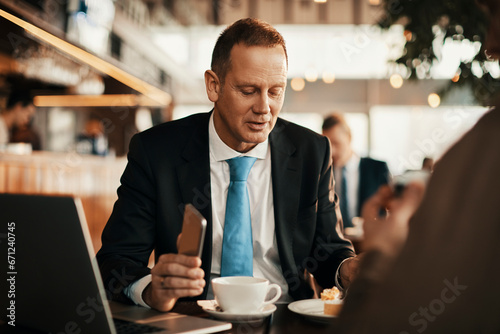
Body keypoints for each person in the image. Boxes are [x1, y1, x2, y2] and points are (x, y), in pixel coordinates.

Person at [97, 18, 358, 312]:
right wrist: (151, 290)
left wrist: (348, 270)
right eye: (248, 91)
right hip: (192, 320)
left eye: (275, 91)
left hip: (286, 318)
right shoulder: (157, 152)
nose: (264, 108)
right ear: (213, 86)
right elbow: (115, 261)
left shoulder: (312, 151)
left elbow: (329, 253)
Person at [335, 0, 500, 332]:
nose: (489, 43)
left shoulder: (484, 151)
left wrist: (382, 254)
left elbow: (375, 324)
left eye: (495, 13)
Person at [322, 112, 391, 228]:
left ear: (349, 137)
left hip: (369, 238)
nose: (332, 151)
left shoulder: (377, 169)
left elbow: (387, 208)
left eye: (336, 143)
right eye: (328, 145)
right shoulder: (323, 174)